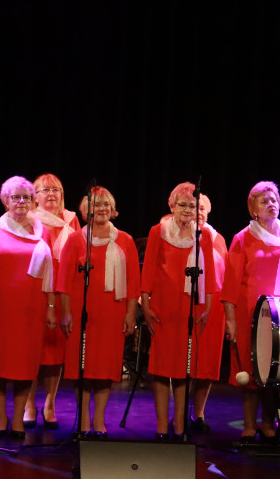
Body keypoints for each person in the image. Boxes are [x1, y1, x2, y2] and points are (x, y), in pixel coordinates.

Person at [221, 181, 280, 444]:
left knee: (275, 371)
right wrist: (230, 320)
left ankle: (268, 423)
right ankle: (250, 425)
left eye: (273, 199)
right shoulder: (242, 238)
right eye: (264, 201)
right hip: (249, 314)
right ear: (254, 210)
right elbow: (231, 284)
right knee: (250, 372)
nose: (271, 204)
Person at [0, 176, 56, 438]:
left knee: (24, 366)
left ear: (33, 201)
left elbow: (50, 274)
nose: (21, 201)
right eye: (15, 197)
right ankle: (0, 418)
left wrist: (51, 306)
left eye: (26, 197)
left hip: (32, 310)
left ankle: (18, 419)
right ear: (5, 200)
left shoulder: (43, 231)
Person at [57, 186, 139, 436]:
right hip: (82, 313)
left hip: (112, 313)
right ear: (85, 211)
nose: (101, 209)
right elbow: (63, 279)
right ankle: (82, 421)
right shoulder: (75, 239)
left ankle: (99, 421)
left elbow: (134, 282)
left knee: (104, 370)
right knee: (82, 369)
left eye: (106, 205)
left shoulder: (125, 240)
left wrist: (130, 314)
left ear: (112, 210)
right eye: (96, 205)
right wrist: (66, 312)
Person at [140, 182, 218, 440]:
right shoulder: (157, 231)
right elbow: (149, 268)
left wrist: (206, 307)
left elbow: (211, 276)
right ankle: (162, 425)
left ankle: (180, 425)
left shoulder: (203, 235)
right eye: (182, 204)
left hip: (190, 309)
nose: (187, 210)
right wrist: (146, 303)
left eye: (192, 206)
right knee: (162, 370)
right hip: (162, 309)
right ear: (171, 206)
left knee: (184, 370)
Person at [23, 173, 80, 429]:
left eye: (56, 190)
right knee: (33, 348)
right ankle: (28, 403)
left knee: (55, 352)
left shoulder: (71, 219)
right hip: (36, 287)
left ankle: (50, 403)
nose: (51, 194)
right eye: (45, 190)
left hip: (63, 290)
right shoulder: (27, 219)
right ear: (35, 195)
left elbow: (79, 256)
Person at [190, 193, 228, 433]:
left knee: (206, 365)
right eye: (194, 207)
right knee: (183, 363)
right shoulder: (171, 233)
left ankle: (199, 413)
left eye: (203, 208)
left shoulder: (218, 238)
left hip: (213, 308)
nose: (199, 212)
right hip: (187, 305)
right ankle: (179, 414)